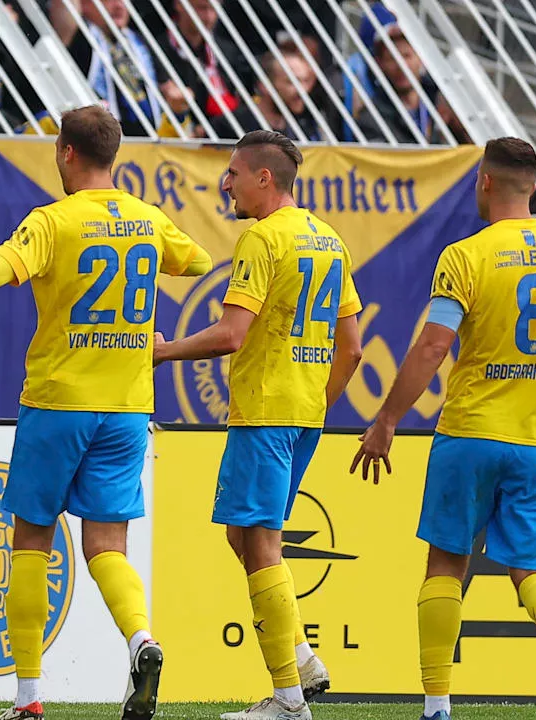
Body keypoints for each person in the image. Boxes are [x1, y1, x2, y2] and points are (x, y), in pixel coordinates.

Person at [0, 105, 212, 720]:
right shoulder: (147, 218)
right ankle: (142, 639)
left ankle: (30, 696)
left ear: (65, 152)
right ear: (113, 154)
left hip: (59, 400)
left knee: (31, 539)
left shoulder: (52, 221)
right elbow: (195, 261)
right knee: (108, 546)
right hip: (127, 407)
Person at [350, 137, 536, 720]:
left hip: (472, 432)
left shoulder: (466, 255)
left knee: (447, 563)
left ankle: (437, 705)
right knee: (535, 572)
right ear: (530, 185)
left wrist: (387, 420)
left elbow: (433, 346)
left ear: (485, 181)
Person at [152, 131, 363, 720]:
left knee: (261, 544)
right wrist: (319, 402)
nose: (227, 184)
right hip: (303, 416)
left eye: (234, 174)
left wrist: (163, 352)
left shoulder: (261, 238)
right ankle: (300, 656)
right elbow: (352, 349)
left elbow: (232, 334)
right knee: (243, 537)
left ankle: (290, 701)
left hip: (266, 411)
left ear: (264, 179)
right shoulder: (329, 240)